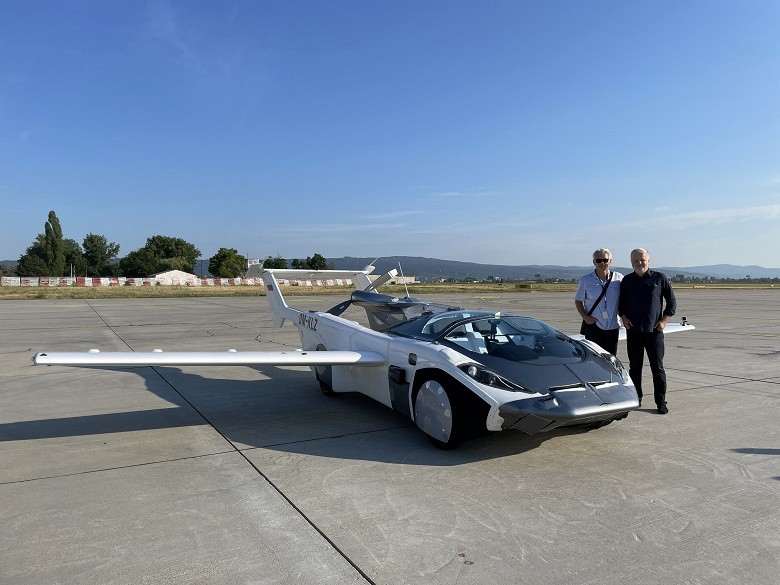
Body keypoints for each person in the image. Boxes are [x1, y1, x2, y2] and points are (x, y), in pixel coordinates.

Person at [618, 248, 676, 414]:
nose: (639, 263)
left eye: (642, 259)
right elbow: (621, 303)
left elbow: (672, 301)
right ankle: (636, 398)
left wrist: (664, 321)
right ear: (631, 262)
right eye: (636, 260)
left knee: (657, 368)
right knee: (635, 368)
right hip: (634, 332)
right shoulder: (627, 281)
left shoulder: (660, 278)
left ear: (648, 260)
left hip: (654, 332)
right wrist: (623, 316)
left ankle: (661, 402)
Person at [575, 248, 623, 355]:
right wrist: (585, 317)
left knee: (611, 358)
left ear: (610, 261)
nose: (602, 263)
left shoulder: (619, 278)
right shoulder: (586, 280)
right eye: (598, 260)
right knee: (593, 358)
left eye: (605, 260)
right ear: (594, 262)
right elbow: (578, 301)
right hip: (594, 325)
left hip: (613, 326)